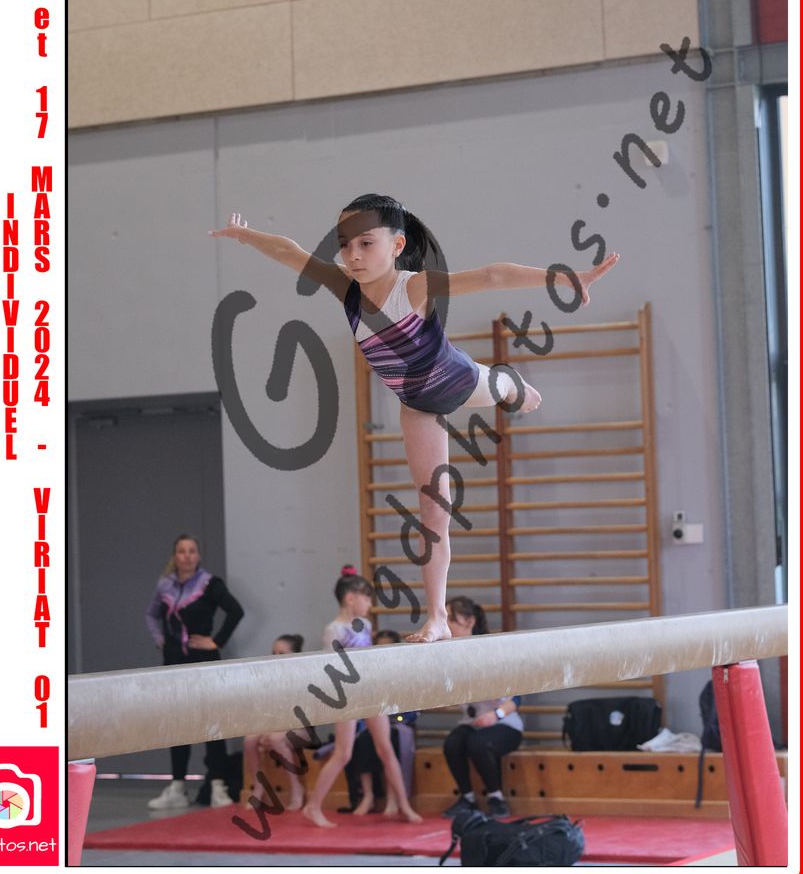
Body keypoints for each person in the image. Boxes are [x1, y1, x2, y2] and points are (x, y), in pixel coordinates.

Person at [211, 196, 618, 643]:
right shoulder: (344, 287)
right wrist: (245, 236)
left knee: (499, 387)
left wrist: (569, 278)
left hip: (457, 380)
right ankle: (437, 617)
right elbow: (290, 252)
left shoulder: (415, 288)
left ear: (397, 245)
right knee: (433, 510)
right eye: (345, 244)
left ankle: (510, 383)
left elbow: (492, 276)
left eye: (366, 243)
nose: (353, 255)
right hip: (416, 405)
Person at [300, 567, 422, 828]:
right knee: (343, 753)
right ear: (350, 598)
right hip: (346, 696)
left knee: (385, 748)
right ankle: (312, 806)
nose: (370, 603)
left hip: (369, 691)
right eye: (366, 598)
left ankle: (404, 805)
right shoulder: (334, 629)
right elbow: (329, 668)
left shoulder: (365, 625)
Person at [144, 534, 245, 810]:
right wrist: (159, 639)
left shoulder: (209, 584)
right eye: (182, 551)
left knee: (212, 722)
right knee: (178, 724)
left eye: (192, 551)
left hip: (204, 661)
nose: (187, 556)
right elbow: (151, 614)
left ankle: (218, 786)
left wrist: (216, 641)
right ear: (175, 556)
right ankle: (178, 786)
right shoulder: (164, 585)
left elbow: (235, 611)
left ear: (198, 556)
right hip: (175, 662)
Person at [441, 596, 523, 819]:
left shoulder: (492, 652)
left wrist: (495, 715)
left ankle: (496, 798)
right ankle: (467, 798)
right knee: (453, 743)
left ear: (469, 621)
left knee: (478, 743)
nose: (445, 625)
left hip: (505, 724)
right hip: (472, 723)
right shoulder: (450, 655)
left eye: (450, 619)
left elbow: (517, 699)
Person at [344, 628, 418, 815]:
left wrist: (398, 718)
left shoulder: (405, 675)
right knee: (363, 740)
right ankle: (368, 795)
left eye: (387, 648)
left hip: (400, 725)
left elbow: (414, 710)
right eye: (379, 648)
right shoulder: (370, 676)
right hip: (376, 725)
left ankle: (394, 798)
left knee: (392, 741)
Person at [243, 634, 308, 811]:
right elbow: (266, 711)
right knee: (249, 740)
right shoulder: (270, 678)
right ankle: (259, 787)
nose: (276, 657)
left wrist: (273, 733)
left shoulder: (303, 678)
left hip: (301, 729)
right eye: (274, 653)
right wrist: (266, 731)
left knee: (276, 739)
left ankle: (296, 788)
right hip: (275, 728)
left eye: (282, 653)